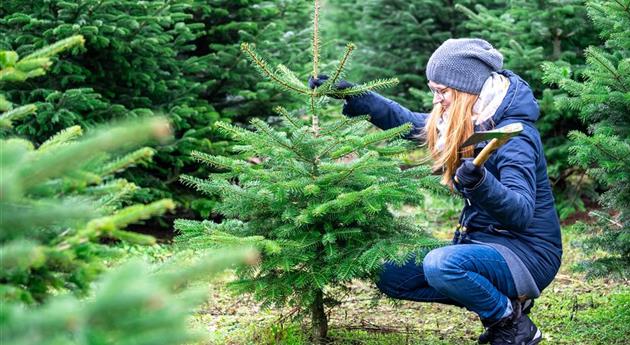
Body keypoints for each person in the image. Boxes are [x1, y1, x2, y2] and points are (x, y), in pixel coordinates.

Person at [309, 38, 561, 345]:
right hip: (483, 245)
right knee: (391, 273)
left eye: (442, 92)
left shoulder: (513, 136)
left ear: (467, 90)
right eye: (433, 90)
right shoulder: (471, 119)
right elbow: (415, 124)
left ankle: (510, 324)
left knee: (441, 265)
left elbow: (521, 213)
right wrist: (362, 98)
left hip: (526, 255)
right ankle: (504, 303)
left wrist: (481, 184)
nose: (436, 100)